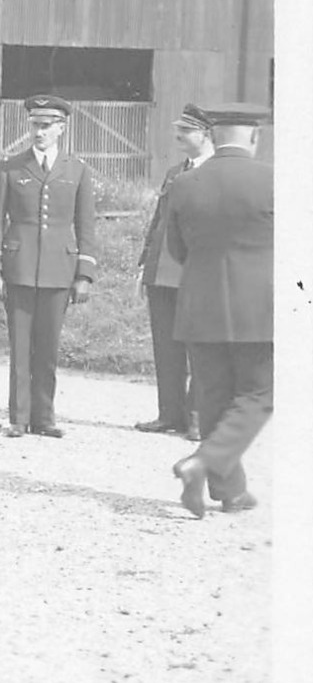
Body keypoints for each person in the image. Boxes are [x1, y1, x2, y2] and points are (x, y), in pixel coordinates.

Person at [168, 103, 273, 519]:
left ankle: (230, 492)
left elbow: (176, 250)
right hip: (260, 308)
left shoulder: (184, 183)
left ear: (213, 135)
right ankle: (204, 463)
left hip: (200, 305)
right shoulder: (274, 181)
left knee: (214, 397)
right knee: (260, 393)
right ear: (254, 136)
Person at [0, 94, 98, 439]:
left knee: (48, 347)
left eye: (46, 126)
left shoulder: (77, 170)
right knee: (20, 347)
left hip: (59, 270)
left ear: (61, 128)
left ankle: (44, 417)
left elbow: (86, 225)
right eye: (34, 125)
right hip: (18, 268)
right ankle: (18, 418)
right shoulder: (10, 167)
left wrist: (84, 274)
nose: (39, 132)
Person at [133, 104, 214, 442]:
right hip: (161, 273)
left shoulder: (218, 173)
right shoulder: (173, 172)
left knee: (201, 347)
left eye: (187, 131)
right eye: (179, 129)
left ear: (207, 134)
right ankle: (170, 415)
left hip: (198, 274)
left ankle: (196, 418)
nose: (179, 136)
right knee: (166, 347)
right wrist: (143, 265)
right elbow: (158, 222)